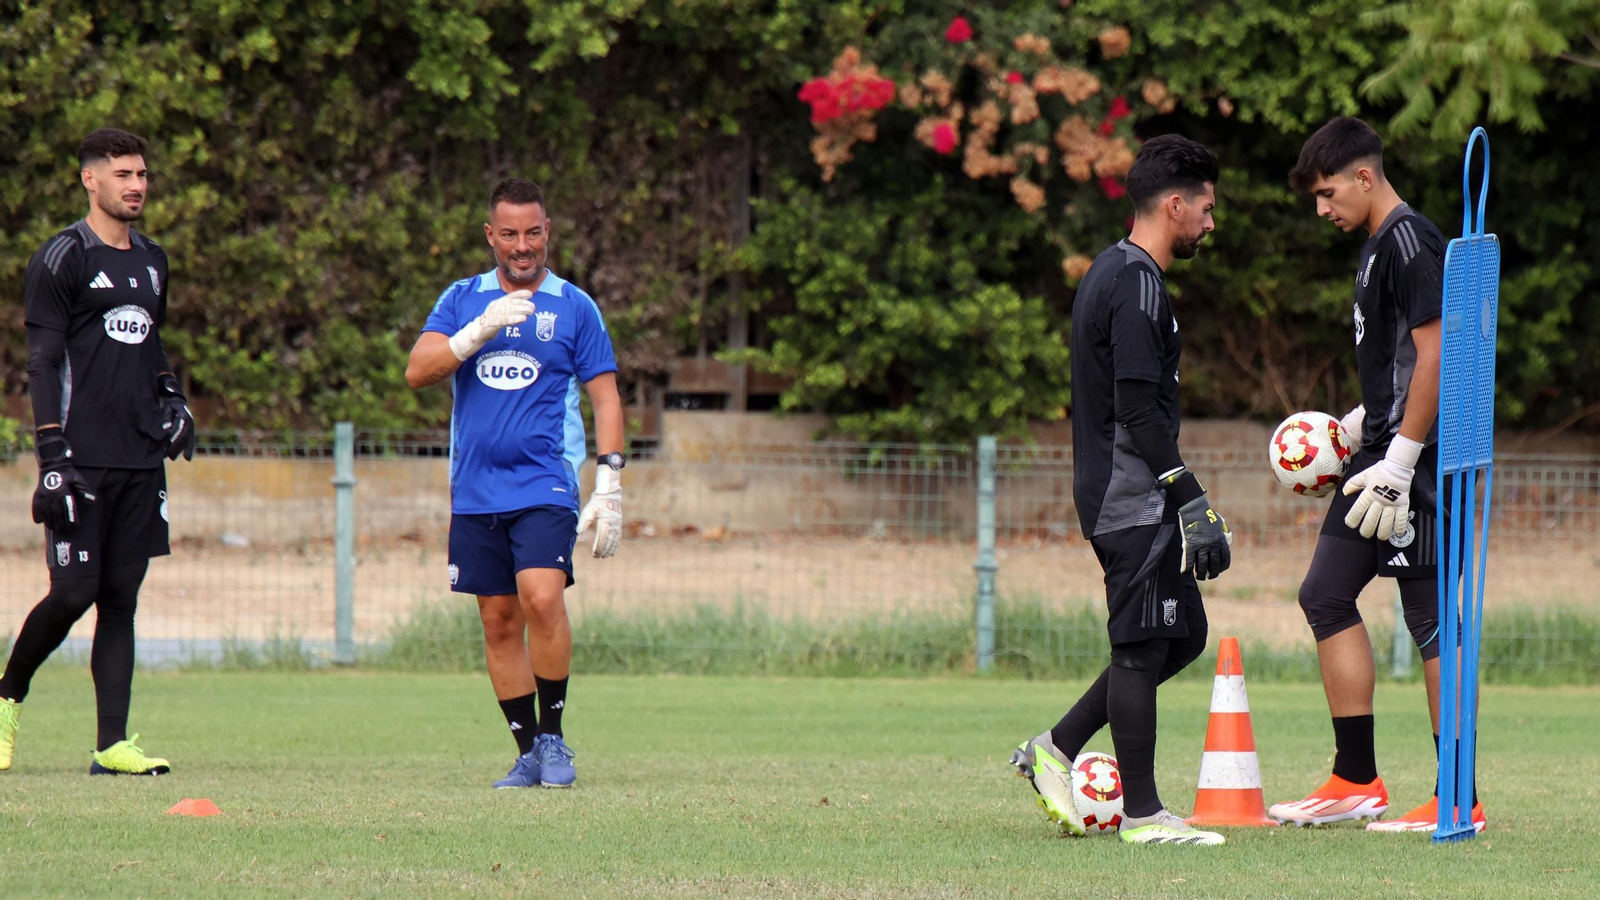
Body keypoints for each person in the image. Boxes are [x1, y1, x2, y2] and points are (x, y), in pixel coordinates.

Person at [1010, 135, 1232, 846]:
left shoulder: (1114, 271)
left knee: (1184, 634)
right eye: (1206, 208)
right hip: (1129, 495)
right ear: (1175, 204)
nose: (1210, 222)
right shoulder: (1136, 282)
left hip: (1126, 490)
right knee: (1140, 646)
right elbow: (1137, 411)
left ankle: (1057, 745)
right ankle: (1143, 815)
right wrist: (1190, 498)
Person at [1267, 116, 1484, 833]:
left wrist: (1399, 460)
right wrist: (1361, 425)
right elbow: (1398, 359)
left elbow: (1440, 355)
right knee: (1325, 595)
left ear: (1365, 177)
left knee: (1428, 620)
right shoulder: (1374, 249)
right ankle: (1355, 778)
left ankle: (1458, 795)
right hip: (1382, 451)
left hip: (1417, 464)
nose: (1322, 209)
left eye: (1328, 193)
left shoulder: (1411, 241)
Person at [405, 177, 624, 789]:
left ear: (547, 232)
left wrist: (610, 481)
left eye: (533, 233)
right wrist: (473, 334)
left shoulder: (574, 307)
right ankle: (527, 752)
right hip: (474, 489)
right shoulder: (461, 298)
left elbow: (605, 397)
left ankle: (554, 738)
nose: (522, 246)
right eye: (510, 235)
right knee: (498, 620)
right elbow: (417, 370)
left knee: (542, 597)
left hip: (544, 482)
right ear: (490, 236)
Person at [0, 128, 197, 776]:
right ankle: (6, 699)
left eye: (142, 174)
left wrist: (173, 398)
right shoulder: (62, 258)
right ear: (91, 179)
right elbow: (43, 359)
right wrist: (52, 456)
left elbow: (151, 347)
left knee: (121, 596)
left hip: (140, 459)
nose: (136, 185)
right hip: (79, 460)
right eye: (122, 174)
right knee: (72, 592)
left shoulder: (153, 260)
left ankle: (112, 745)